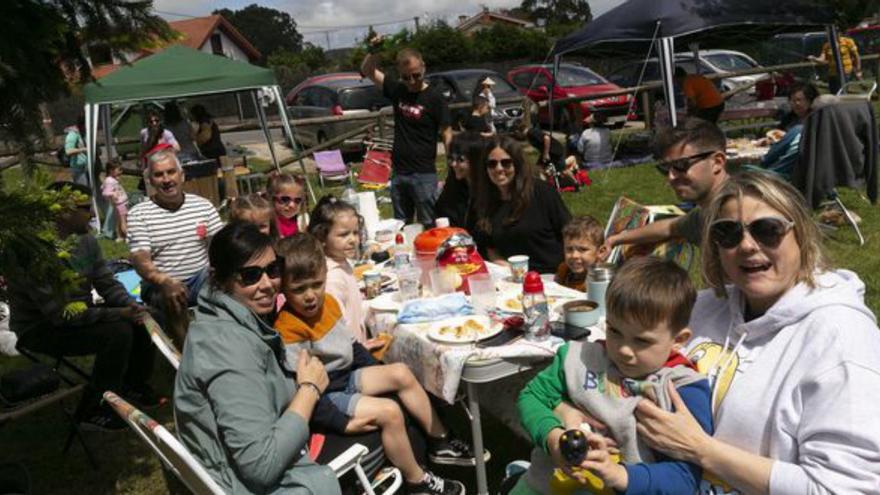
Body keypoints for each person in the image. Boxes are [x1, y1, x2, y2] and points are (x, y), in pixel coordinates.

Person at [634, 171, 880, 494]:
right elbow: (623, 352)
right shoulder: (702, 308)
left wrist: (701, 450)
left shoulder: (841, 338)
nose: (747, 245)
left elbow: (844, 489)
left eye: (768, 230)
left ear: (801, 235)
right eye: (728, 233)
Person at [274, 234, 477, 495]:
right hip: (327, 395)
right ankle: (417, 481)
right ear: (283, 288)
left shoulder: (330, 304)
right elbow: (304, 391)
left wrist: (376, 369)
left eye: (317, 284)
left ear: (325, 275)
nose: (311, 296)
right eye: (299, 289)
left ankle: (441, 441)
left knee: (401, 372)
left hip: (345, 377)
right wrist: (342, 423)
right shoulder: (288, 328)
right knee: (389, 412)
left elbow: (352, 347)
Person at [515, 257, 712, 494]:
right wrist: (553, 437)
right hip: (543, 486)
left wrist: (619, 474)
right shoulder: (579, 357)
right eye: (614, 331)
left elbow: (684, 478)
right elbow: (531, 396)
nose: (623, 350)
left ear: (678, 340)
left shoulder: (683, 390)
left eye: (642, 341)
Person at [174, 222, 341, 494]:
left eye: (274, 270)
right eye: (250, 276)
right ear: (219, 279)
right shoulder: (228, 348)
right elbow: (261, 466)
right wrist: (309, 390)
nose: (267, 285)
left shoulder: (221, 320)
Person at [7, 182, 156, 431]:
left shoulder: (85, 240)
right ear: (62, 211)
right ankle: (93, 410)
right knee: (117, 333)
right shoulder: (32, 252)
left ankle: (132, 386)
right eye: (85, 208)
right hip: (40, 328)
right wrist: (118, 313)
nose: (91, 214)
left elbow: (107, 283)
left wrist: (132, 306)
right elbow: (59, 315)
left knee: (144, 319)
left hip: (79, 316)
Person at [128, 150, 222, 347]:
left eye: (171, 172)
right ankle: (186, 354)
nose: (166, 179)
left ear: (182, 176)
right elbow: (140, 258)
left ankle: (225, 345)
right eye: (159, 174)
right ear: (150, 181)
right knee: (170, 294)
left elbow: (221, 246)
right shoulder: (139, 214)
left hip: (200, 276)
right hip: (161, 281)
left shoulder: (203, 206)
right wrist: (165, 280)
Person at [603, 118, 729, 254]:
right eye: (665, 168)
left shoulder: (743, 210)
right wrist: (616, 239)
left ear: (717, 162)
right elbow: (669, 227)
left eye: (681, 165)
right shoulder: (707, 213)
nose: (671, 177)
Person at [361, 44, 453, 226]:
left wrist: (453, 165)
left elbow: (447, 132)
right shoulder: (398, 90)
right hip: (399, 172)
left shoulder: (435, 98)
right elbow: (368, 70)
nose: (412, 81)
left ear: (423, 67)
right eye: (406, 77)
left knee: (430, 223)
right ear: (399, 74)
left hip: (424, 173)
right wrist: (373, 51)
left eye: (416, 75)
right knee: (401, 225)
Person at [471, 135, 571, 274]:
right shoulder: (484, 201)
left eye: (506, 163)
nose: (499, 168)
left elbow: (570, 232)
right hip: (511, 277)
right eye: (492, 164)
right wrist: (499, 262)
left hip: (550, 275)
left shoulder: (542, 192)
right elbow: (489, 245)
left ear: (517, 164)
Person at [759, 83, 820, 178]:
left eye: (799, 100)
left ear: (809, 101)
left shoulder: (815, 120)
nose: (796, 104)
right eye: (793, 100)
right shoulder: (789, 118)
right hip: (782, 156)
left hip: (797, 163)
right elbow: (777, 135)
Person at [434, 131, 483, 229]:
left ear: (476, 160)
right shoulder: (452, 187)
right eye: (451, 158)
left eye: (460, 160)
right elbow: (439, 214)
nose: (453, 164)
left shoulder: (489, 191)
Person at [554, 215, 607, 291]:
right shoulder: (564, 270)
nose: (574, 255)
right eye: (569, 249)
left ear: (601, 252)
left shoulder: (601, 280)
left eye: (582, 249)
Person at [267, 172, 309, 239]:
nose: (292, 205)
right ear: (272, 198)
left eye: (297, 200)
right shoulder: (268, 225)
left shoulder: (296, 222)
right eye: (285, 199)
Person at [100, 160, 128, 241]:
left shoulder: (110, 179)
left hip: (121, 203)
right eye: (118, 170)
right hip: (120, 203)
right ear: (111, 170)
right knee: (124, 221)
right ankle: (128, 237)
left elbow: (103, 187)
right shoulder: (109, 180)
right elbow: (105, 192)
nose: (120, 171)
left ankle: (120, 237)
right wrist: (112, 194)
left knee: (120, 220)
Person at [63, 117, 89, 186]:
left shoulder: (83, 133)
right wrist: (84, 149)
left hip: (87, 167)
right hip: (78, 169)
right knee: (84, 190)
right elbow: (68, 151)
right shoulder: (73, 134)